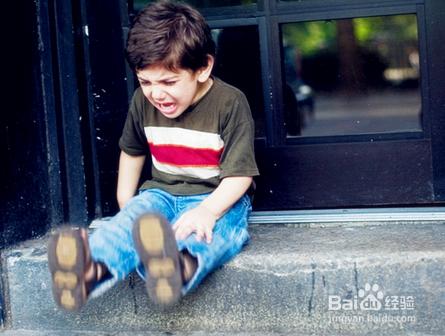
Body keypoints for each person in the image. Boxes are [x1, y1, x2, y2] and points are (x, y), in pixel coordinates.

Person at [47, 0, 259, 311]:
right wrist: (125, 204)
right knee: (127, 226)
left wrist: (208, 211)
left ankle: (177, 265)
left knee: (217, 233)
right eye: (145, 82)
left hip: (216, 198)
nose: (156, 93)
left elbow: (240, 174)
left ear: (203, 68)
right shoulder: (142, 102)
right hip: (160, 193)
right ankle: (89, 267)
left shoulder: (230, 103)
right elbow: (131, 151)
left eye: (168, 82)